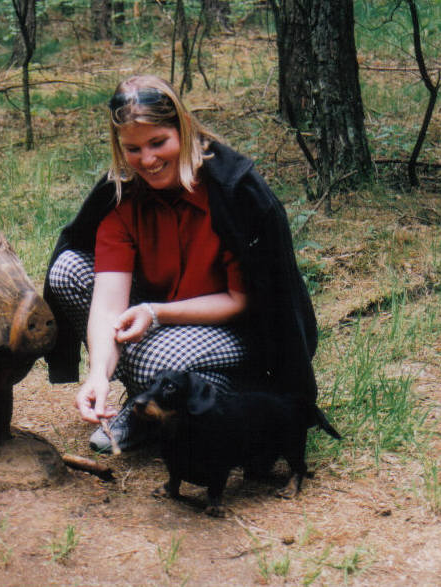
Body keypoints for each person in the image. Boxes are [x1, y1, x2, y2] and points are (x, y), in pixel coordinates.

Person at [43, 74, 320, 453]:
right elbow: (108, 304)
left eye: (159, 142)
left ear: (184, 128)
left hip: (235, 330)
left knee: (152, 360)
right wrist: (98, 375)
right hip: (164, 319)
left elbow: (239, 301)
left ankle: (215, 400)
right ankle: (157, 402)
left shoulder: (230, 191)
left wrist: (155, 314)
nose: (149, 160)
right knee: (67, 271)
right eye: (133, 149)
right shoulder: (122, 198)